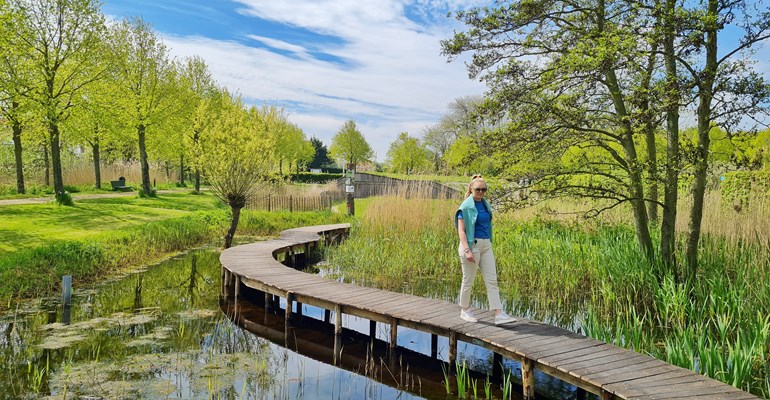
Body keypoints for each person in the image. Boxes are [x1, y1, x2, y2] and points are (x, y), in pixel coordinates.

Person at [455, 175, 517, 325]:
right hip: (472, 246)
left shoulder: (485, 204)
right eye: (478, 189)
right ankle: (465, 310)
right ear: (471, 189)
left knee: (492, 280)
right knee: (468, 280)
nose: (481, 192)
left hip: (486, 245)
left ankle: (498, 313)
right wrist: (467, 250)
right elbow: (461, 231)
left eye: (484, 189)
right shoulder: (465, 207)